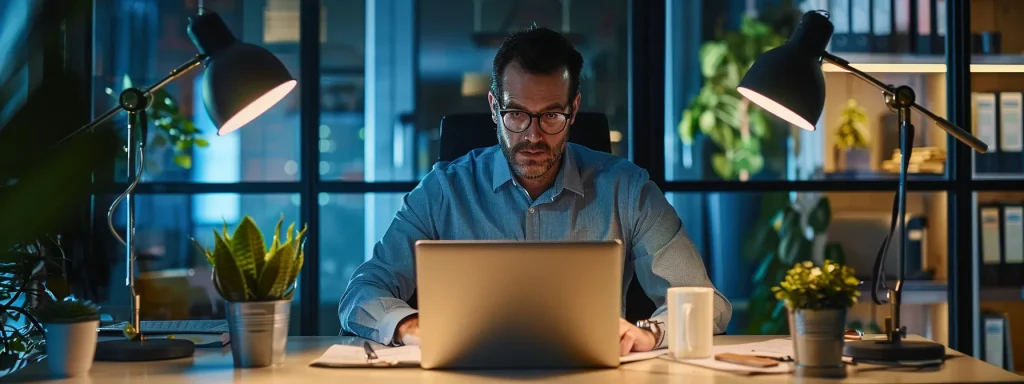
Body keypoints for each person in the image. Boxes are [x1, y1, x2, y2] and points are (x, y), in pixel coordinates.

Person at [338, 26, 731, 356]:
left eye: (551, 116)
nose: (532, 135)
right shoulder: (443, 189)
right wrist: (411, 325)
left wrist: (650, 332)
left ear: (573, 111)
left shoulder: (627, 188)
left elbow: (705, 303)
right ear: (494, 108)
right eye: (516, 114)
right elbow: (361, 293)